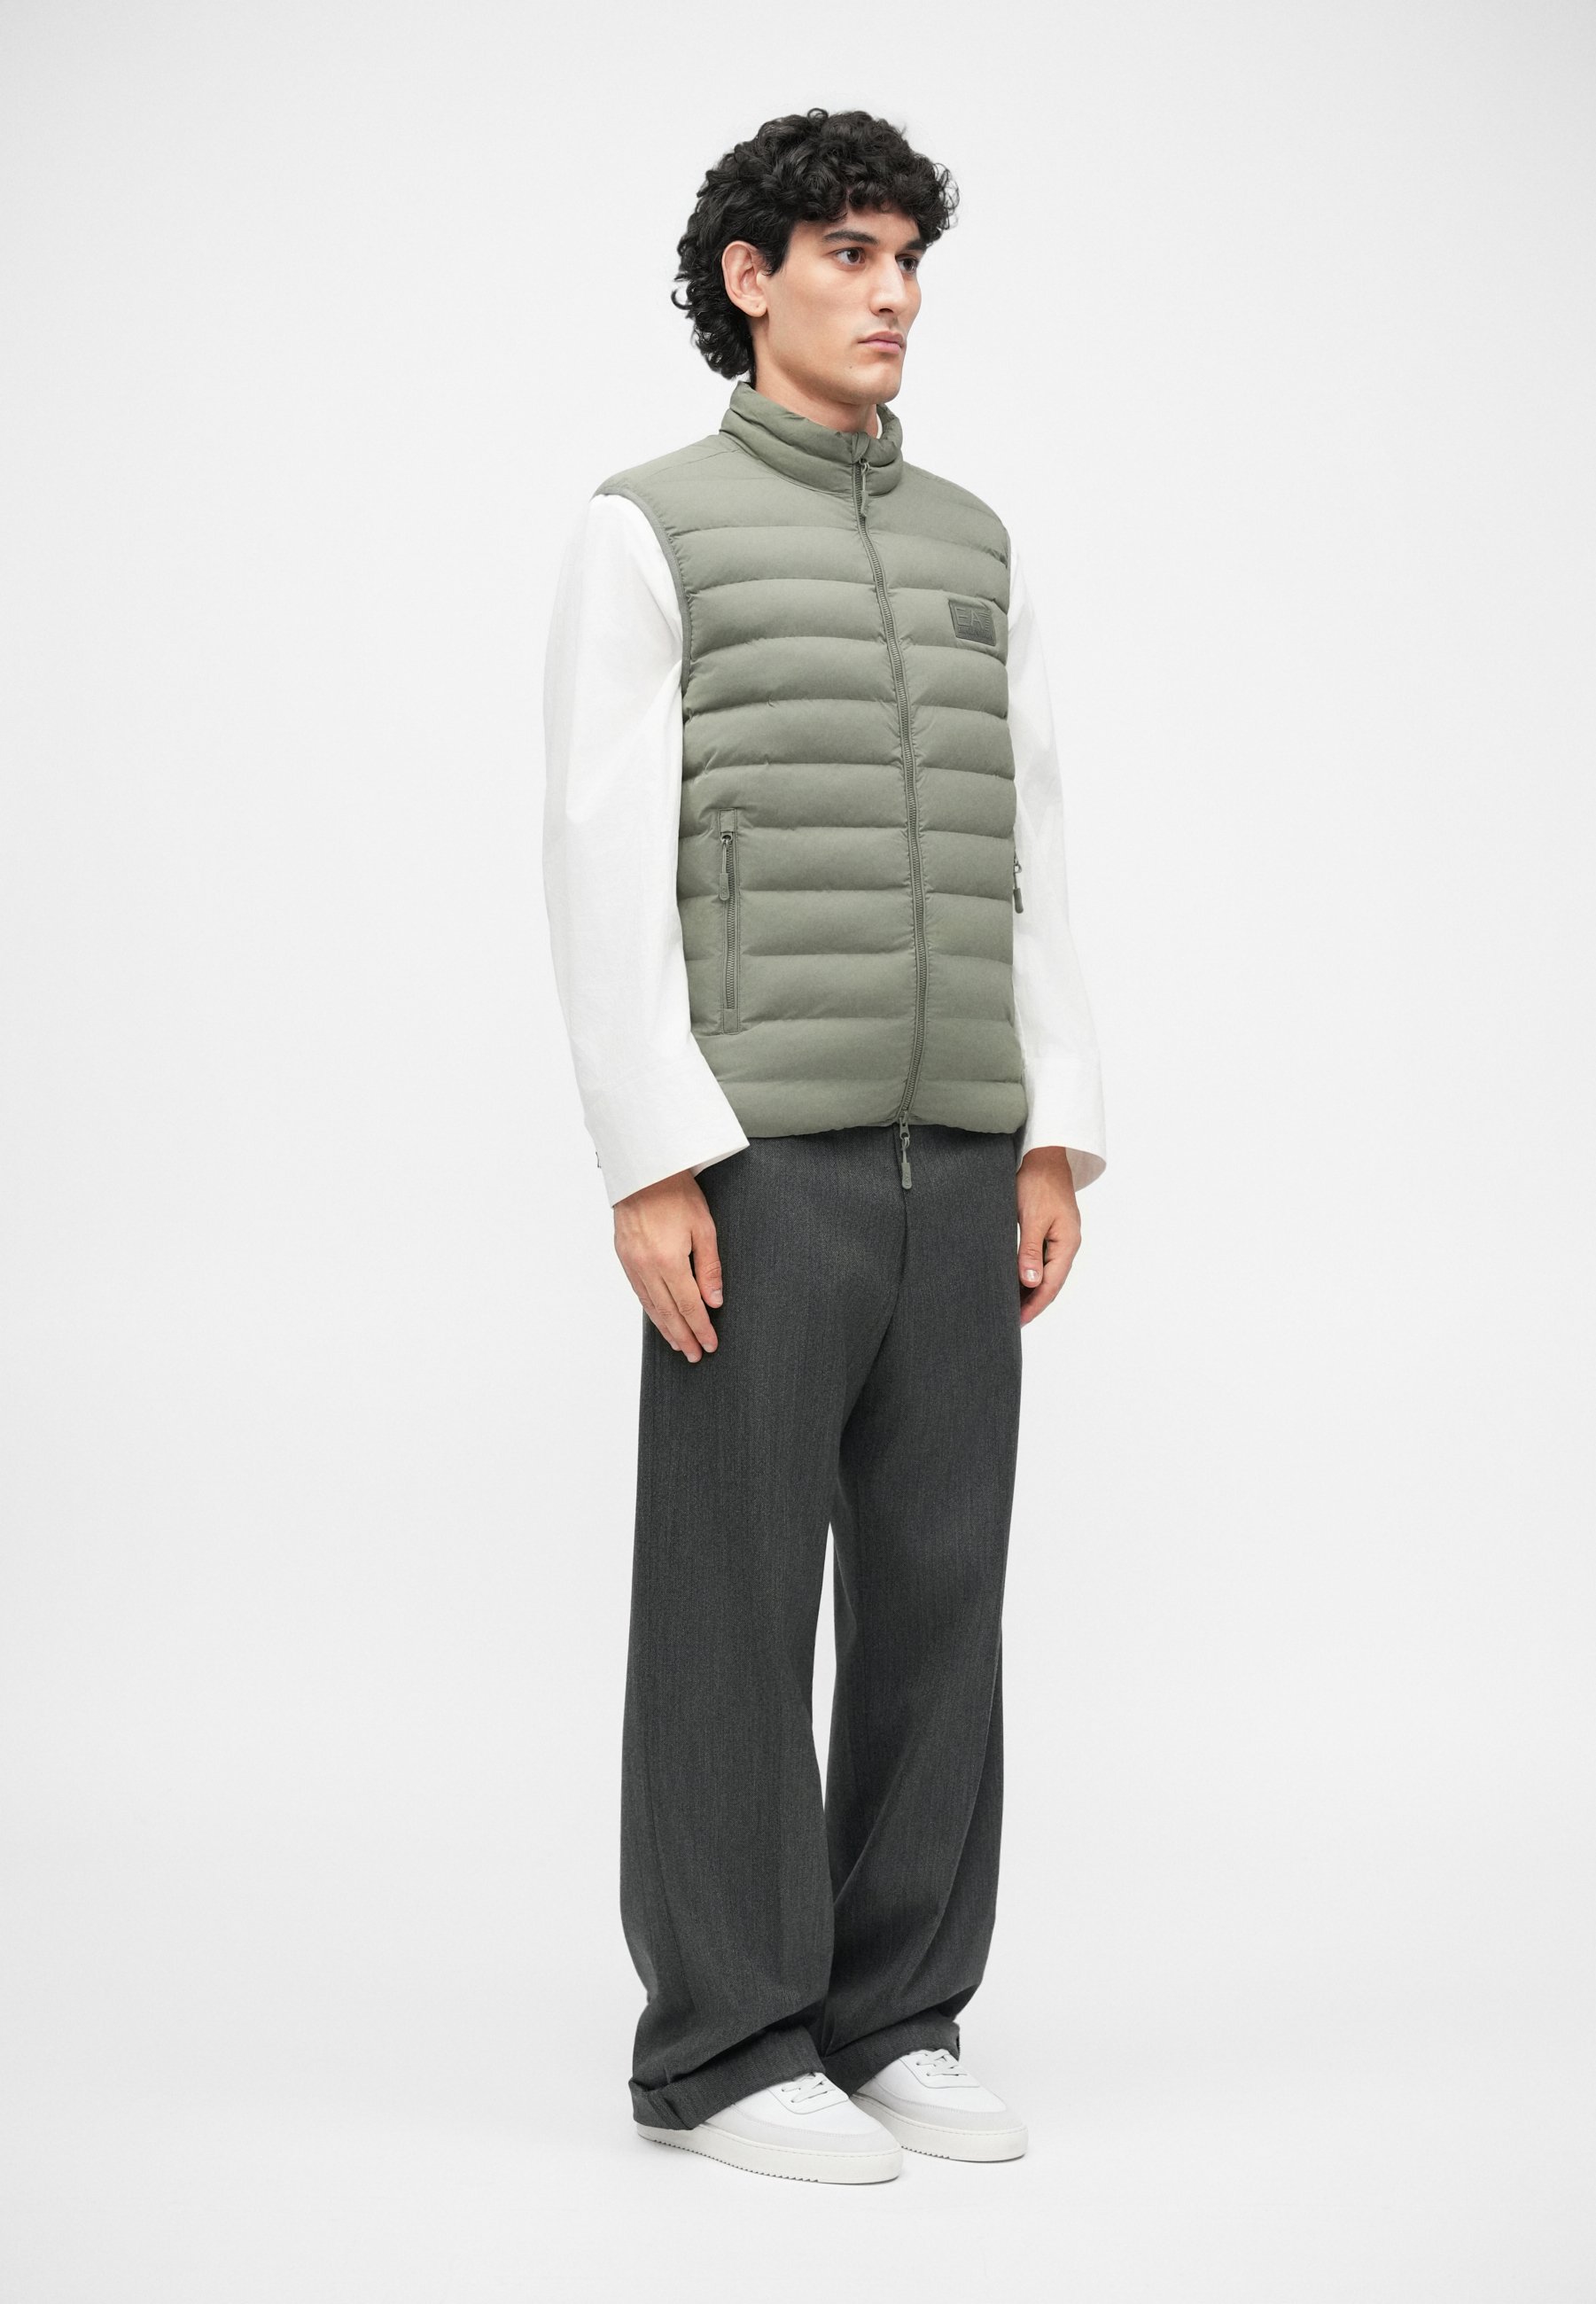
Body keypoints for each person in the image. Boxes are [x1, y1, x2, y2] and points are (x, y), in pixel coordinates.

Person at [541, 106, 1106, 2186]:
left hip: (961, 1150)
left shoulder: (974, 543)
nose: (892, 295)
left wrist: (1055, 1133)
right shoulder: (649, 527)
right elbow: (600, 855)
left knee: (941, 1599)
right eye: (850, 254)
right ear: (750, 276)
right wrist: (648, 1160)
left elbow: (1029, 844)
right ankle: (720, 2043)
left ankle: (895, 2012)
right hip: (758, 1162)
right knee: (732, 1596)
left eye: (907, 260)